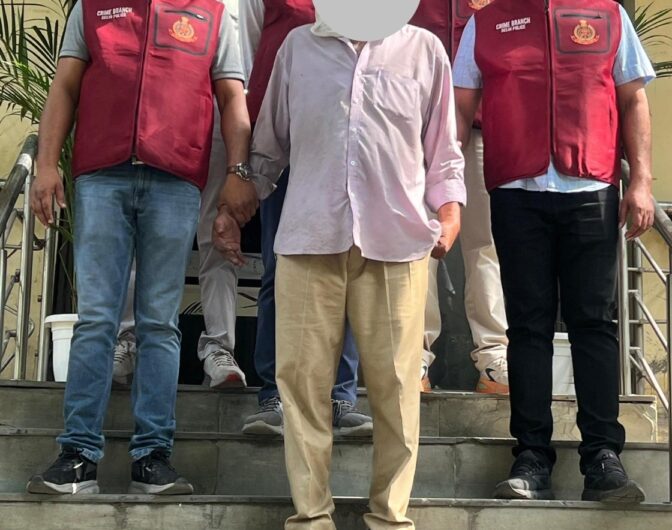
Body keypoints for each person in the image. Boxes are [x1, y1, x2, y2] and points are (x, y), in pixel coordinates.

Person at [214, 17, 466, 529]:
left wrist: (450, 211)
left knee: (397, 387)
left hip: (396, 244)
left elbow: (443, 152)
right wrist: (233, 208)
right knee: (301, 386)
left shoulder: (424, 50)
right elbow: (268, 148)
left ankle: (389, 517)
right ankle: (311, 518)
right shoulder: (297, 48)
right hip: (310, 237)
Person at [26, 0, 249, 495]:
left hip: (176, 179)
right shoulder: (92, 8)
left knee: (159, 323)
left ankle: (152, 457)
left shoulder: (212, 14)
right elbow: (65, 86)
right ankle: (77, 456)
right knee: (96, 320)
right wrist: (46, 164)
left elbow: (232, 97)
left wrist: (237, 174)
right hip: (101, 176)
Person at [453, 0, 656, 502]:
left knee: (594, 323)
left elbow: (633, 99)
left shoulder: (608, 15)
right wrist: (444, 189)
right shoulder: (486, 23)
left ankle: (603, 458)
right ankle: (531, 457)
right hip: (515, 192)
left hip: (591, 188)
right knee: (527, 326)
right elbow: (459, 109)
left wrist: (642, 182)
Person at [233, 0, 372, 437]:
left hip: (353, 152)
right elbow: (249, 55)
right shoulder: (288, 32)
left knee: (349, 269)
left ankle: (339, 396)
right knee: (279, 270)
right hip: (288, 145)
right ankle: (274, 395)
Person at [111, 0, 251, 390]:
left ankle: (220, 349)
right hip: (162, 121)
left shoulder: (237, 6)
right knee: (142, 232)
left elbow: (251, 58)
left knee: (219, 235)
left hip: (221, 117)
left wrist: (241, 163)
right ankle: (127, 339)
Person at [411, 0, 509, 394]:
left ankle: (494, 357)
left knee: (485, 245)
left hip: (485, 129)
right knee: (420, 243)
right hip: (415, 133)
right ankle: (415, 355)